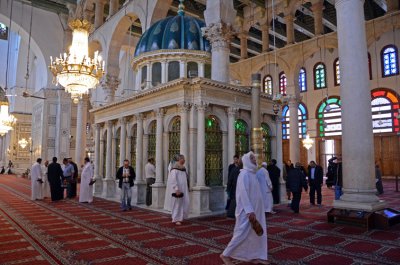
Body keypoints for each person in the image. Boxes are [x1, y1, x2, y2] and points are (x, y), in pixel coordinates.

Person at [220, 152, 268, 265]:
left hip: (256, 210)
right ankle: (225, 254)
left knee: (255, 234)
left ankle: (255, 255)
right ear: (246, 161)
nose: (254, 159)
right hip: (247, 211)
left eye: (254, 157)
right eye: (251, 158)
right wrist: (249, 210)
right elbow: (243, 194)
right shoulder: (244, 174)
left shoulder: (253, 174)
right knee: (241, 233)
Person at [165, 154, 190, 225]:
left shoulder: (183, 168)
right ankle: (176, 219)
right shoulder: (174, 169)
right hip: (177, 189)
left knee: (185, 203)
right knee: (177, 204)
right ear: (179, 159)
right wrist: (176, 189)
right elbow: (173, 180)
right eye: (183, 158)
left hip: (184, 189)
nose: (184, 160)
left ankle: (181, 217)